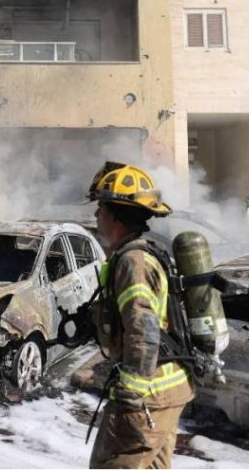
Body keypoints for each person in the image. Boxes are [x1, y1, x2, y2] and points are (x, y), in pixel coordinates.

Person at [84, 162, 195, 469]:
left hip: (148, 395)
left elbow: (142, 328)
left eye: (101, 210)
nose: (96, 216)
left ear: (116, 216)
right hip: (169, 389)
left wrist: (130, 394)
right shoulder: (146, 252)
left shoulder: (133, 262)